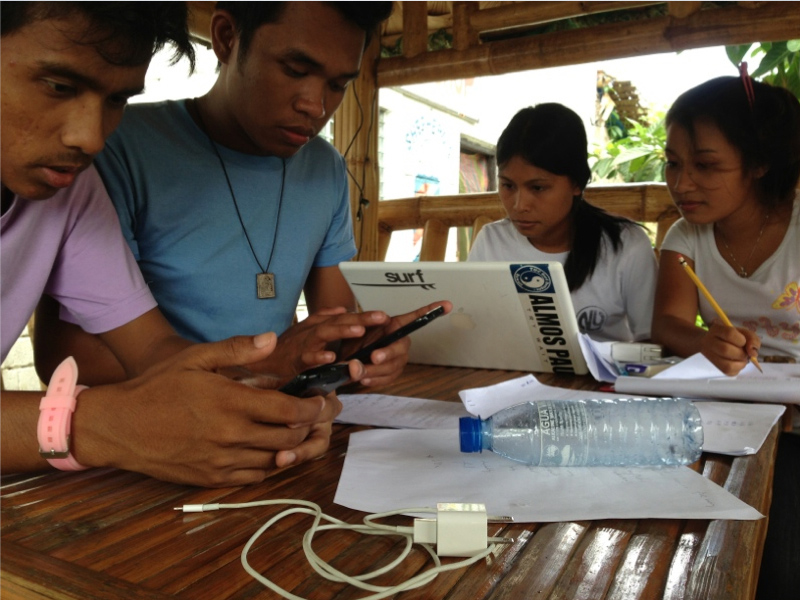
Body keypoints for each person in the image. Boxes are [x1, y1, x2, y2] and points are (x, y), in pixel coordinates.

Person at [1, 1, 435, 488]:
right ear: (226, 39)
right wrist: (100, 427)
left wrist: (286, 389)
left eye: (118, 100)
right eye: (59, 86)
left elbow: (157, 356)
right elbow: (75, 367)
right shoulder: (107, 162)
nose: (90, 138)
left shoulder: (71, 190)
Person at [34, 1, 411, 386]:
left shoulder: (324, 169)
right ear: (227, 38)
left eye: (338, 85)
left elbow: (332, 325)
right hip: (151, 425)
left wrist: (364, 350)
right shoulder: (112, 149)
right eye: (295, 70)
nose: (315, 106)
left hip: (277, 413)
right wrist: (265, 367)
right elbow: (67, 357)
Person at [651, 74, 800, 600]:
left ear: (759, 165)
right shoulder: (685, 235)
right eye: (672, 162)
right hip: (732, 410)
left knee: (779, 560)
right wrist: (704, 343)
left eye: (706, 165)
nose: (682, 182)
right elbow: (667, 324)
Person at [468, 103, 658, 342]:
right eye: (508, 185)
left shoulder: (625, 245)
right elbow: (472, 327)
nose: (519, 205)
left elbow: (651, 342)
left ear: (577, 184)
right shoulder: (492, 242)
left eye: (538, 188)